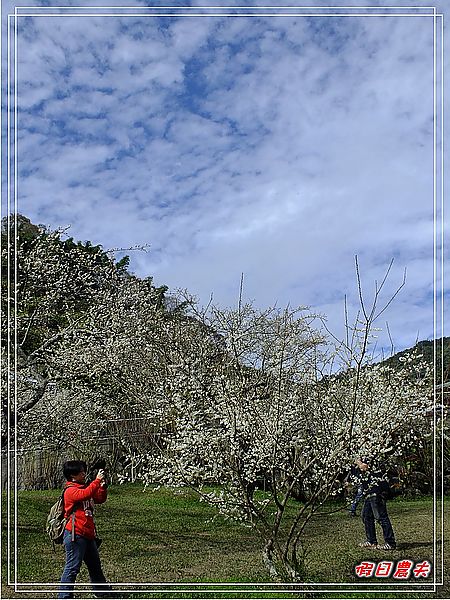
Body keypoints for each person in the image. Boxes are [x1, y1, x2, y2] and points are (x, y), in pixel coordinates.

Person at [58, 460, 111, 599]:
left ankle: (102, 591)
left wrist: (102, 486)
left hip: (88, 534)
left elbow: (99, 498)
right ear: (72, 476)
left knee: (95, 566)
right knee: (72, 567)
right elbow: (85, 494)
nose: (84, 473)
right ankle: (64, 596)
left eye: (83, 470)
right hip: (75, 534)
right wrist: (96, 481)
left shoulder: (85, 487)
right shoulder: (70, 490)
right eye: (80, 471)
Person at [355, 457, 397, 551]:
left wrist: (358, 462)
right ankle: (371, 541)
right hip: (369, 490)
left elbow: (365, 466)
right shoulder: (362, 452)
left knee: (381, 517)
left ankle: (390, 542)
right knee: (366, 516)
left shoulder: (371, 454)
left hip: (377, 489)